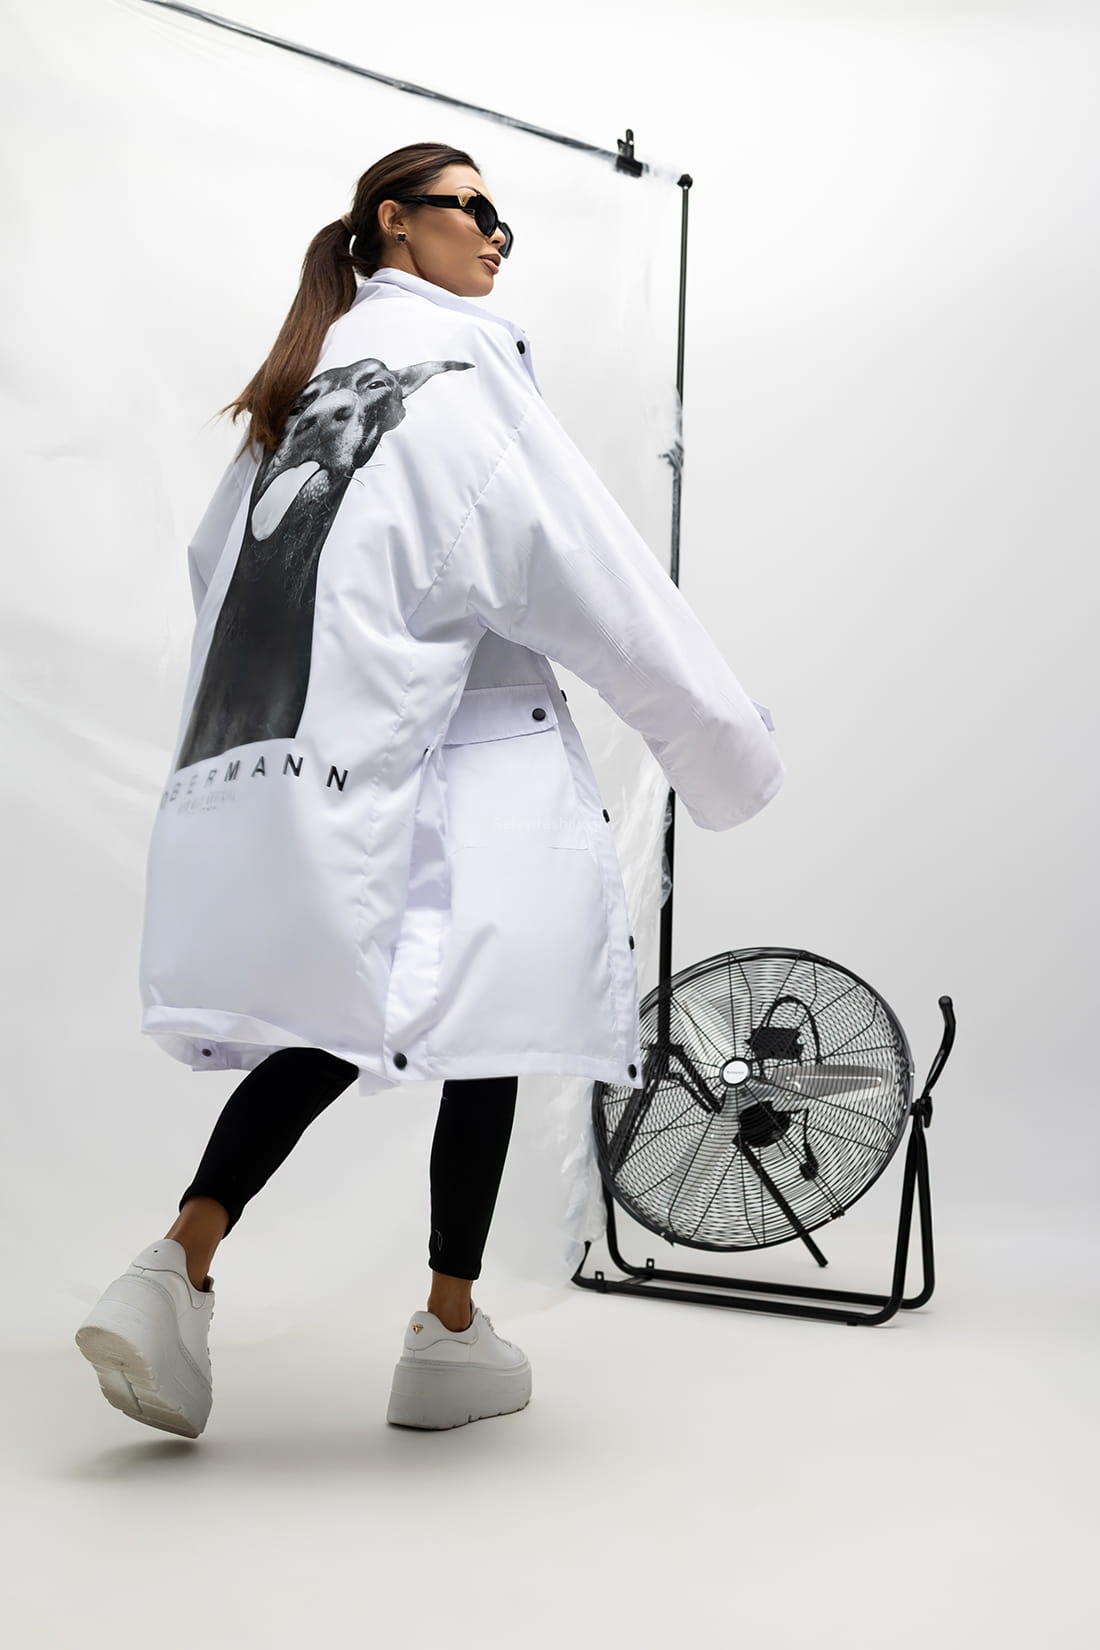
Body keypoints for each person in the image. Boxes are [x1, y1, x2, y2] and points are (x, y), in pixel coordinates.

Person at [75, 141, 784, 1441]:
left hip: (321, 757)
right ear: (396, 223)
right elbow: (596, 578)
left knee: (357, 1014)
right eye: (475, 209)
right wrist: (728, 743)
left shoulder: (305, 380)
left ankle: (181, 1264)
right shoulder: (459, 373)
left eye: (506, 217)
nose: (499, 234)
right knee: (484, 1013)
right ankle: (442, 1328)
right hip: (464, 752)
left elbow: (214, 571)